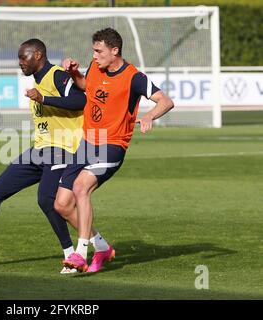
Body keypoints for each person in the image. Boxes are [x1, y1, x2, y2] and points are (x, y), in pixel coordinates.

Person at [0, 39, 110, 273]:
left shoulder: (56, 75)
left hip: (64, 149)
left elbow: (80, 101)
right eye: (19, 58)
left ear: (39, 56)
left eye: (24, 58)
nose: (20, 63)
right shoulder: (36, 81)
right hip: (40, 150)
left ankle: (71, 256)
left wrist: (44, 99)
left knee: (46, 199)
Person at [55, 28, 174, 273]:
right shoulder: (95, 66)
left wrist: (149, 116)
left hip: (112, 145)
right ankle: (102, 248)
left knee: (80, 187)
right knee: (62, 205)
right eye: (94, 51)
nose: (95, 55)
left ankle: (80, 253)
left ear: (115, 50)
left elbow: (166, 101)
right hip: (87, 142)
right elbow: (87, 87)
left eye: (99, 51)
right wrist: (74, 73)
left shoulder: (134, 77)